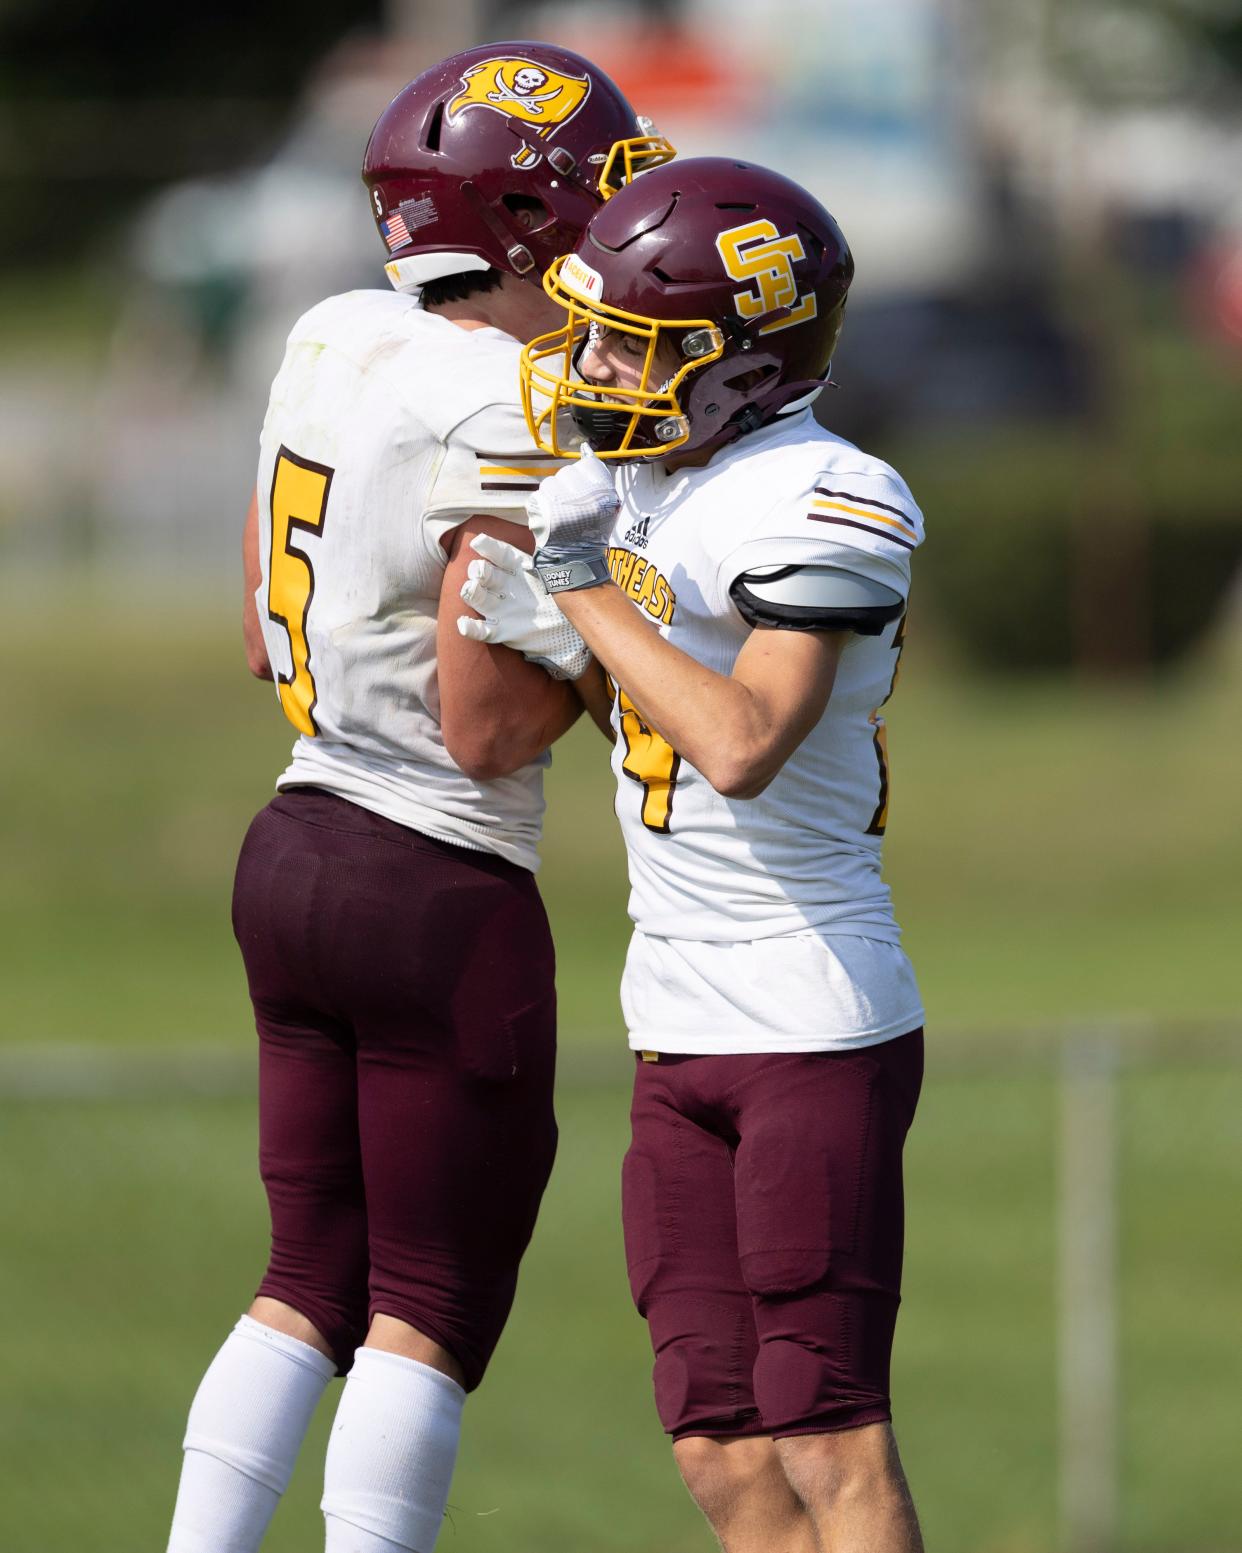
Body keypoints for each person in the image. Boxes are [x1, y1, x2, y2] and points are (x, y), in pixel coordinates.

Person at [164, 45, 672, 1553]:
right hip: (432, 878)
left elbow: (262, 622)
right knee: (430, 1306)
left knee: (302, 1274)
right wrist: (614, 658)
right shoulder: (517, 391)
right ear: (527, 217)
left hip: (293, 838)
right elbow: (484, 729)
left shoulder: (330, 332)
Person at [458, 157, 927, 1552]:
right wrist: (571, 648)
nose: (596, 361)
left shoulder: (828, 492)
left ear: (739, 363)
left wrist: (580, 593)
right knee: (719, 1446)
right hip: (673, 1014)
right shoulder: (647, 473)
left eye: (633, 340)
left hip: (805, 1014)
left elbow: (738, 740)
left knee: (824, 1427)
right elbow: (651, 716)